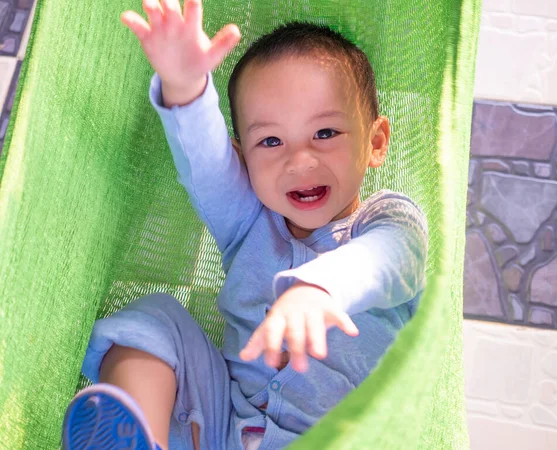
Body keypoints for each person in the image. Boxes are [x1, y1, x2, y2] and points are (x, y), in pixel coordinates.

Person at [62, 0, 428, 449]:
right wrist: (185, 84)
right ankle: (145, 440)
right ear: (244, 157)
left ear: (375, 142)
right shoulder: (250, 224)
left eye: (325, 133)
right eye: (271, 141)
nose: (300, 160)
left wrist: (318, 289)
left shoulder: (388, 221)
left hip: (342, 437)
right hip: (224, 431)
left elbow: (386, 260)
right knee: (153, 322)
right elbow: (208, 168)